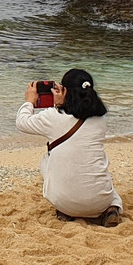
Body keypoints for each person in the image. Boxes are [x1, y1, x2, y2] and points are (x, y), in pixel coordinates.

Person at [16, 69, 123, 226]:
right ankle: (112, 208)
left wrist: (30, 101)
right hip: (99, 203)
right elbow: (75, 116)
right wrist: (61, 103)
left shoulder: (53, 116)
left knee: (47, 161)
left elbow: (21, 122)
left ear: (65, 92)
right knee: (108, 185)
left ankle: (66, 211)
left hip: (64, 203)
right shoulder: (100, 120)